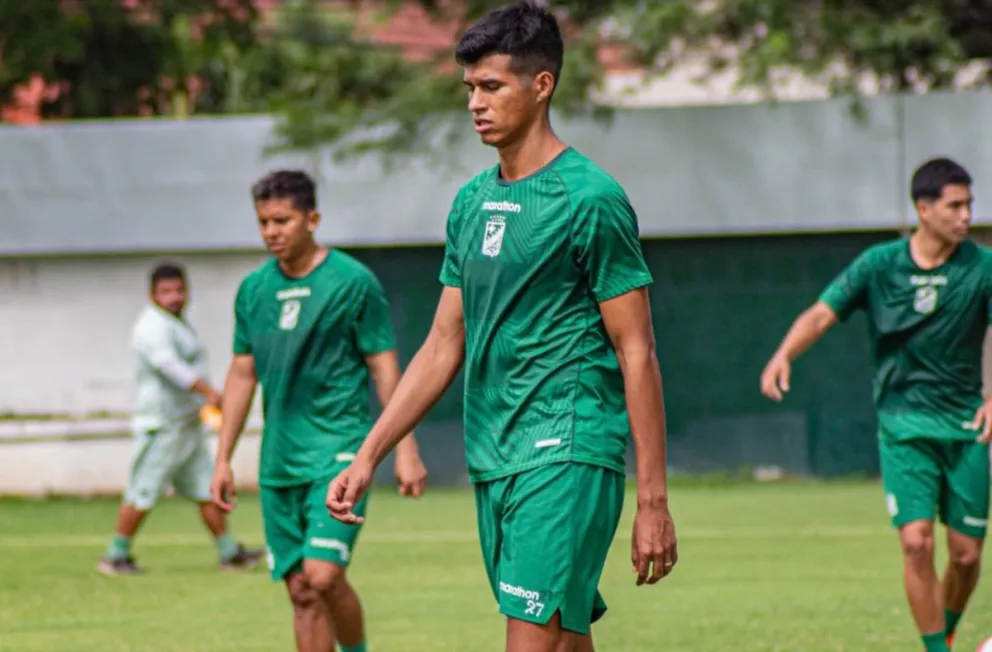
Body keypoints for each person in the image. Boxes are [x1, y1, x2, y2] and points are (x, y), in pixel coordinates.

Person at [325, 3, 678, 651]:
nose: (475, 104)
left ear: (541, 85)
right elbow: (442, 343)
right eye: (469, 89)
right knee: (565, 640)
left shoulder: (590, 199)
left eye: (492, 86)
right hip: (493, 454)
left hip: (566, 450)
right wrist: (370, 453)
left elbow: (637, 351)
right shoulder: (470, 203)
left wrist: (651, 499)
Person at [760, 157, 992, 652]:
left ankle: (944, 628)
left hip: (967, 426)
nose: (966, 215)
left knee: (968, 556)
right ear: (923, 209)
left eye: (969, 204)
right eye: (955, 205)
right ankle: (937, 650)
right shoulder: (880, 264)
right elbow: (823, 314)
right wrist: (783, 354)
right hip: (903, 425)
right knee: (915, 543)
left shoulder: (982, 267)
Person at [211, 169, 429, 652]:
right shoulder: (252, 291)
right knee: (301, 592)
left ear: (312, 219)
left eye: (282, 220)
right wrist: (223, 456)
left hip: (338, 453)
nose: (272, 232)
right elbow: (242, 373)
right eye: (264, 222)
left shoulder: (353, 282)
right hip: (278, 463)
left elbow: (385, 369)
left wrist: (405, 448)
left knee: (324, 575)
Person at [97, 263, 263, 576]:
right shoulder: (151, 326)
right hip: (161, 425)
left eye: (179, 290)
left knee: (205, 488)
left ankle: (229, 552)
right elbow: (169, 366)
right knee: (142, 491)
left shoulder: (178, 324)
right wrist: (211, 393)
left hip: (186, 424)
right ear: (152, 294)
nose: (174, 297)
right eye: (166, 291)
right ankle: (115, 556)